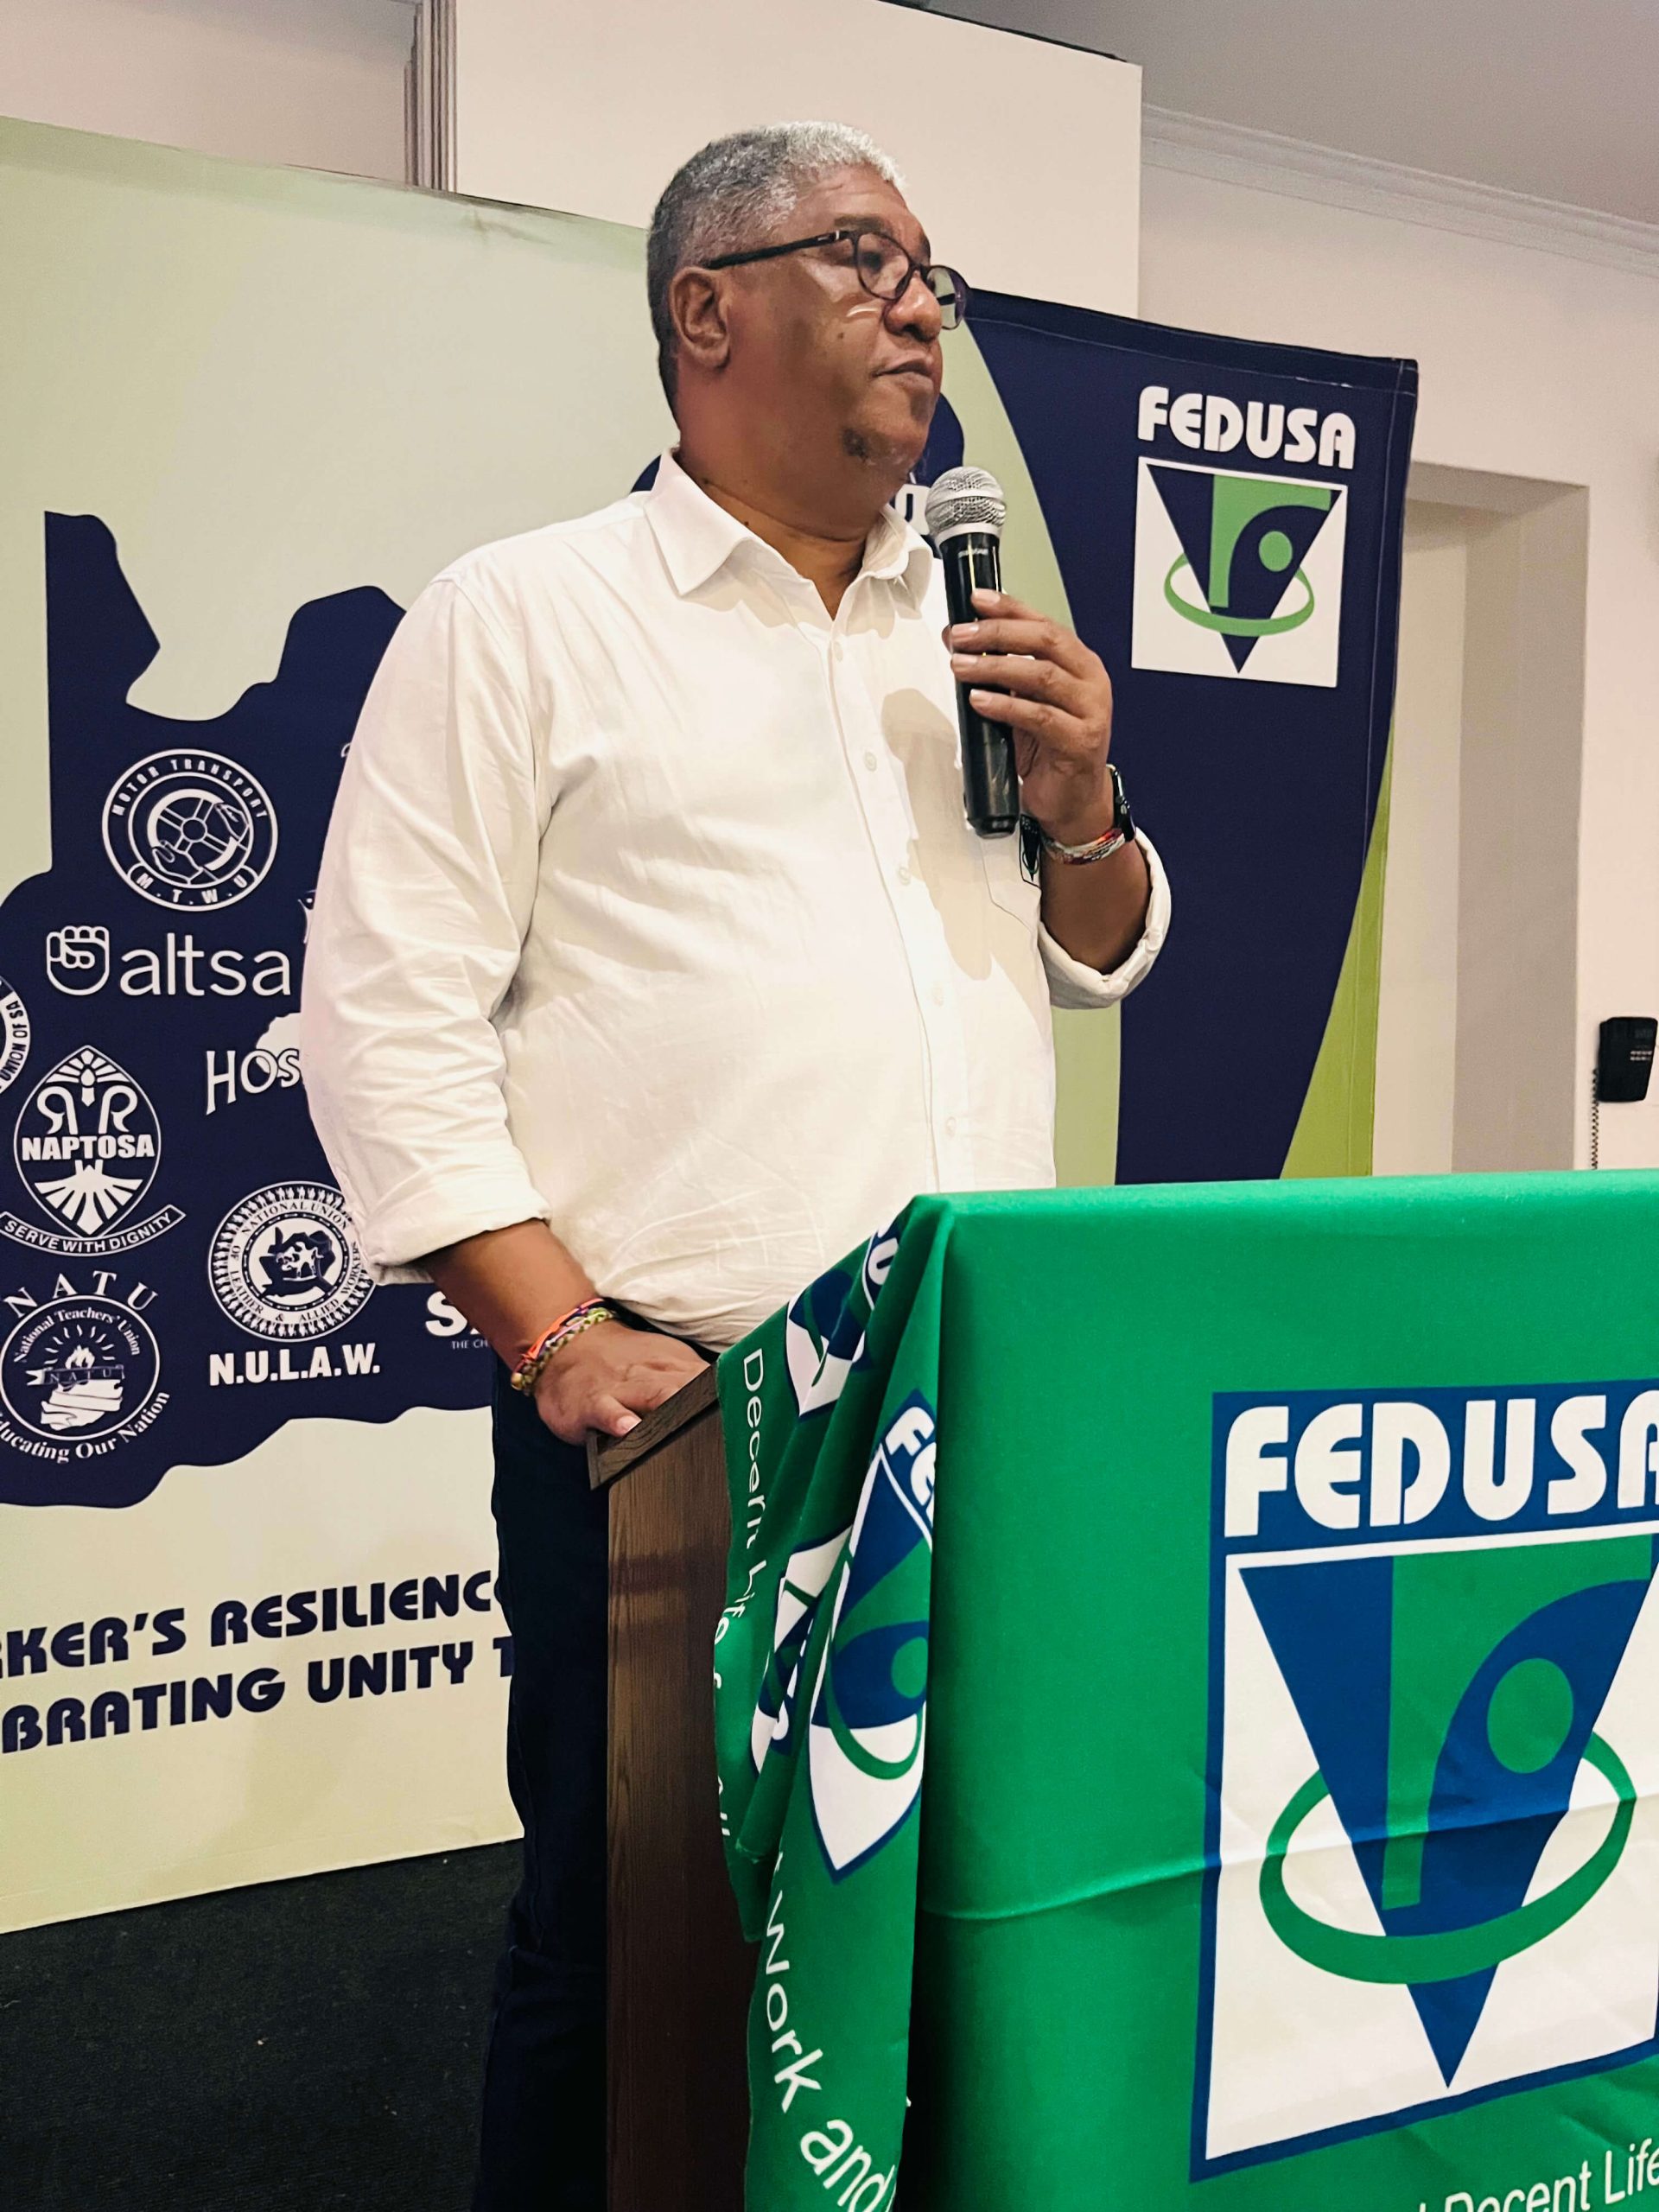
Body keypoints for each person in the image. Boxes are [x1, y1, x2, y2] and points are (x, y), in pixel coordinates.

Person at [301, 119, 1170, 2212]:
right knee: (635, 1950)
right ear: (707, 311)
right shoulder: (525, 617)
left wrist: (1087, 802)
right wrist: (557, 1333)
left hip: (975, 1405)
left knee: (957, 1905)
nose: (922, 307)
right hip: (693, 1420)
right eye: (869, 257)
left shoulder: (969, 627)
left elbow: (1103, 949)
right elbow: (383, 1013)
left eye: (935, 273)